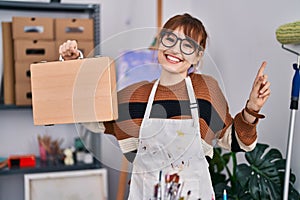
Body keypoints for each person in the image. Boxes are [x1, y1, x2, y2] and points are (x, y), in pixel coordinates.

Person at [59, 13, 270, 200]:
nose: (175, 49)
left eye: (187, 45)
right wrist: (74, 65)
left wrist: (252, 107)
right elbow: (94, 118)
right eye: (170, 39)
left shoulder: (207, 90)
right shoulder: (136, 95)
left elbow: (235, 142)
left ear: (197, 56)